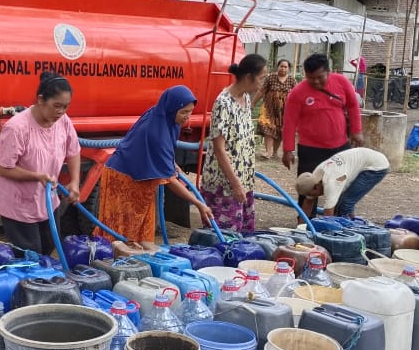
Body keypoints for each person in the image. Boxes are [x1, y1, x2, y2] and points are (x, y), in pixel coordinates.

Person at [96, 86, 213, 249]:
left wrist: (172, 163)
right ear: (172, 108)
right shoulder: (156, 133)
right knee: (120, 235)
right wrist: (199, 204)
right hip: (123, 178)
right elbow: (171, 181)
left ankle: (141, 262)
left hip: (142, 178)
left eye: (190, 112)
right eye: (184, 112)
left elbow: (163, 150)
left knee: (142, 231)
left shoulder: (165, 116)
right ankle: (117, 266)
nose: (187, 117)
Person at [0, 72, 81, 255]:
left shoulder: (63, 121)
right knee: (30, 255)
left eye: (65, 107)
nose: (61, 112)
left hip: (48, 201)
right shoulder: (17, 127)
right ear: (41, 100)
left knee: (49, 248)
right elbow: (2, 168)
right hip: (19, 205)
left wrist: (74, 181)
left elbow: (73, 151)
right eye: (56, 106)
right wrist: (36, 176)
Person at [282, 53, 364, 215]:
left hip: (340, 147)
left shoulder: (341, 82)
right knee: (308, 187)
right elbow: (289, 122)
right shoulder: (298, 93)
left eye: (320, 77)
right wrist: (287, 150)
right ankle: (306, 221)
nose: (316, 82)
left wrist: (356, 131)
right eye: (311, 78)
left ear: (329, 71)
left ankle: (342, 217)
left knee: (341, 182)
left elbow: (353, 106)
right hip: (310, 149)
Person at [200, 55, 267, 232]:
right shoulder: (223, 103)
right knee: (224, 237)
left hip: (243, 180)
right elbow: (219, 149)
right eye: (261, 78)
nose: (262, 83)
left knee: (244, 237)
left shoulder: (245, 98)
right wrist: (235, 183)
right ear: (248, 77)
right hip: (224, 184)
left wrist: (243, 183)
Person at [295, 147, 390, 218]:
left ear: (316, 187)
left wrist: (327, 235)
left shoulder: (331, 182)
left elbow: (328, 214)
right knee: (340, 206)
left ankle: (350, 236)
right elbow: (308, 202)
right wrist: (300, 228)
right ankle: (348, 228)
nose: (313, 196)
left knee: (346, 203)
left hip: (376, 167)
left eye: (310, 194)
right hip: (361, 161)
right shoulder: (314, 177)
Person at [256, 59, 295, 160]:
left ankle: (275, 152)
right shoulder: (270, 78)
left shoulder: (292, 80)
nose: (283, 68)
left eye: (285, 67)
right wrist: (253, 103)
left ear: (288, 69)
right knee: (268, 128)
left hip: (284, 111)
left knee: (280, 131)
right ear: (277, 67)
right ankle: (268, 152)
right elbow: (261, 91)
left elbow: (297, 96)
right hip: (269, 108)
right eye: (281, 66)